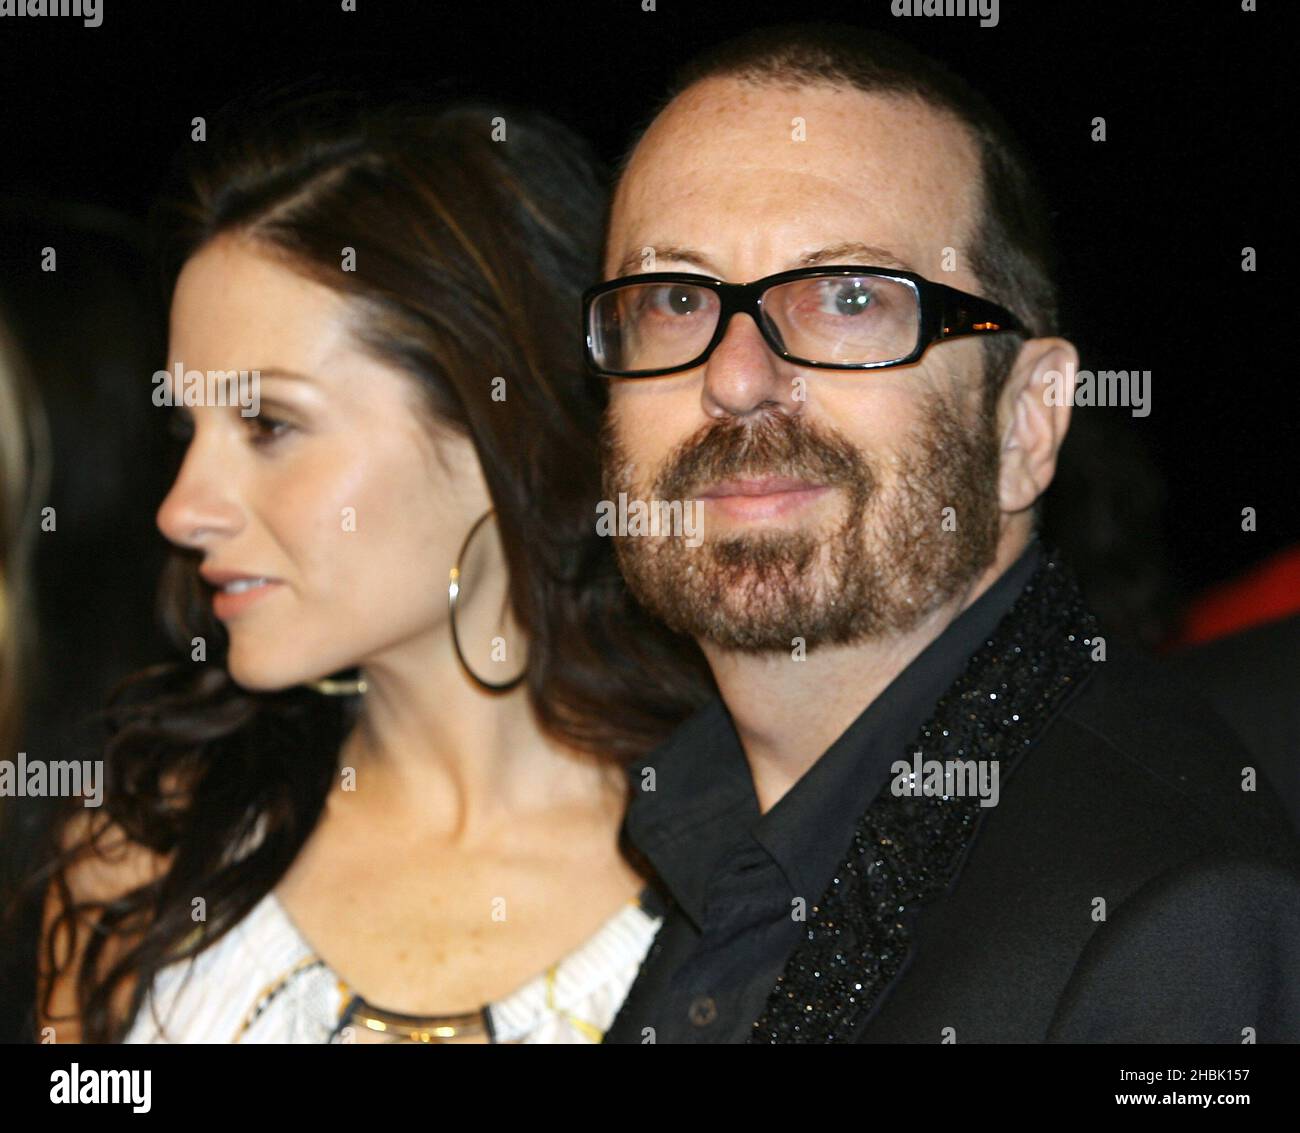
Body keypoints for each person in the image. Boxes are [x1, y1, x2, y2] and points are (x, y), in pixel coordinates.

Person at [589, 24, 1300, 1043]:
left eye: (849, 296)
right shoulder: (695, 826)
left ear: (1026, 419)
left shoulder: (1168, 929)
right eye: (673, 298)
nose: (735, 376)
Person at [32, 89, 710, 1044]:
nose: (180, 510)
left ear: (487, 436)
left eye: (268, 424)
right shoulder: (146, 855)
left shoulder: (736, 869)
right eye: (188, 431)